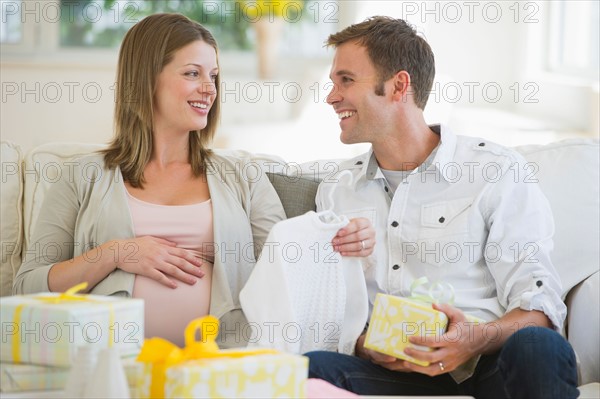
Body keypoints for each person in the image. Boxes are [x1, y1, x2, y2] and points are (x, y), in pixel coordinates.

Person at [13, 13, 374, 348]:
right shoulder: (81, 176)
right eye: (192, 74)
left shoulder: (243, 177)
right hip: (109, 360)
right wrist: (118, 253)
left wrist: (342, 238)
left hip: (220, 362)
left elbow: (289, 271)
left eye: (213, 75)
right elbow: (28, 287)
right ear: (146, 79)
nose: (209, 89)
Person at [306, 16, 579, 399]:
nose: (332, 96)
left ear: (399, 85)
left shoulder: (494, 170)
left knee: (538, 345)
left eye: (346, 81)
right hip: (392, 376)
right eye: (333, 83)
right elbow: (329, 309)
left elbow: (538, 303)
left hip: (486, 366)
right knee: (308, 367)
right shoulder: (337, 190)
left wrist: (473, 339)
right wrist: (364, 344)